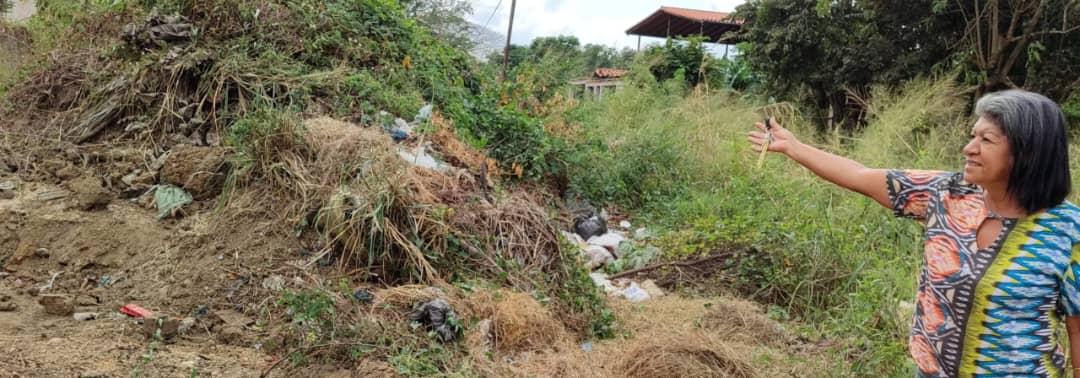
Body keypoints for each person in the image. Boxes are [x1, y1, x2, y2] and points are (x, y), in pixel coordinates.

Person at [748, 90, 1080, 377]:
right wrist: (794, 147)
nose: (969, 148)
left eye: (986, 140)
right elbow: (859, 175)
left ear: (1027, 154)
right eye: (972, 135)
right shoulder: (946, 194)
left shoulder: (1068, 232)